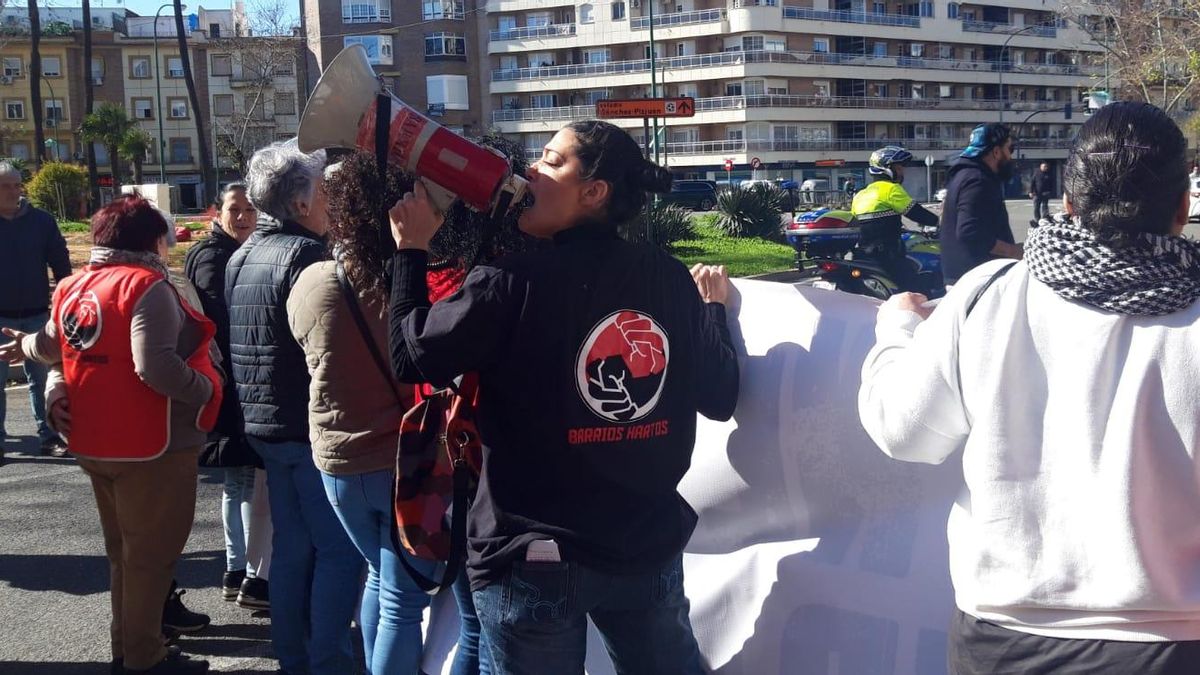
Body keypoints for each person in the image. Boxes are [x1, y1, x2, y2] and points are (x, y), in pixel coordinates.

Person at [859, 101, 1200, 674]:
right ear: (1184, 207)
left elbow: (903, 431)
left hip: (1005, 642)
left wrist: (894, 332)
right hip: (1178, 643)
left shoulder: (984, 296)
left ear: (1068, 203)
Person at [387, 120, 740, 673]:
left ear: (594, 192)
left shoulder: (509, 282)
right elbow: (720, 396)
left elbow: (413, 357)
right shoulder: (669, 279)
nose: (529, 171)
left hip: (534, 557)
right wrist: (713, 311)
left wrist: (409, 251)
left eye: (551, 162)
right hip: (644, 546)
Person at [0, 195, 221, 674]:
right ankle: (144, 656)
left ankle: (128, 648)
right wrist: (206, 388)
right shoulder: (147, 286)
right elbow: (155, 366)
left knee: (124, 554)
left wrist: (24, 347)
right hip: (150, 442)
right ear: (154, 240)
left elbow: (54, 343)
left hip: (94, 439)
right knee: (150, 558)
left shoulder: (75, 285)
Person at [226, 141, 363, 675]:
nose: (331, 200)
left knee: (291, 550)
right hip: (306, 426)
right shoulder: (308, 255)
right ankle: (329, 659)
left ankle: (293, 657)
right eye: (325, 191)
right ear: (302, 204)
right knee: (337, 553)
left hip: (263, 423)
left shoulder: (242, 253)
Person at [183, 183, 271, 610]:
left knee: (240, 482)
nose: (243, 217)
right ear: (218, 212)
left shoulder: (232, 251)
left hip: (234, 379)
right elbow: (224, 313)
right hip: (231, 380)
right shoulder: (212, 255)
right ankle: (242, 571)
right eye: (235, 209)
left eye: (250, 210)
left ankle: (239, 570)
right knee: (243, 483)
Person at [0, 160, 71, 463]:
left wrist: (66, 300)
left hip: (37, 316)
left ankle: (49, 436)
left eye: (17, 185)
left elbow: (60, 260)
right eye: (6, 186)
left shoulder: (42, 221)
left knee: (42, 380)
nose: (14, 191)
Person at [938, 123, 1022, 285]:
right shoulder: (977, 180)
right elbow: (970, 232)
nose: (1011, 156)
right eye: (1009, 149)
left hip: (967, 276)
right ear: (996, 152)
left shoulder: (965, 175)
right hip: (977, 280)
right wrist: (1013, 251)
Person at [851, 146, 940, 291]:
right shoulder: (891, 189)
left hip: (863, 254)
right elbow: (916, 213)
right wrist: (939, 222)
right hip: (888, 255)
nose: (902, 172)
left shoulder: (860, 194)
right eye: (899, 168)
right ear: (887, 169)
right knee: (916, 290)